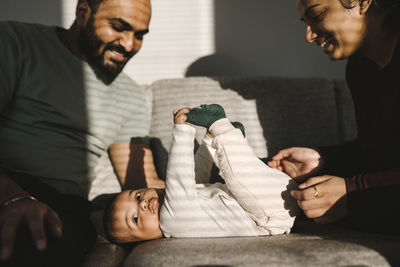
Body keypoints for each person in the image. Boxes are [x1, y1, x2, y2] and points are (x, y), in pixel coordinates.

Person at [0, 0, 163, 265]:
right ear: (83, 11)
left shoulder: (130, 96)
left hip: (62, 208)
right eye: (118, 27)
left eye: (139, 35)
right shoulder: (16, 42)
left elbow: (141, 181)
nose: (130, 44)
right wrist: (12, 197)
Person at [268, 0, 400, 232]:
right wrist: (322, 160)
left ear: (362, 2)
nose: (308, 36)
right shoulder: (361, 69)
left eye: (317, 15)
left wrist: (353, 192)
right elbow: (378, 156)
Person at [104, 104, 299, 243]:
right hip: (267, 216)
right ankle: (225, 132)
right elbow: (180, 178)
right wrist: (182, 131)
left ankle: (227, 140)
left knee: (234, 178)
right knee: (236, 178)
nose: (143, 205)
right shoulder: (173, 222)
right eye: (135, 219)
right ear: (141, 241)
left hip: (261, 202)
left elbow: (197, 175)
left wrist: (207, 142)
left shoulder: (179, 208)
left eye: (137, 196)